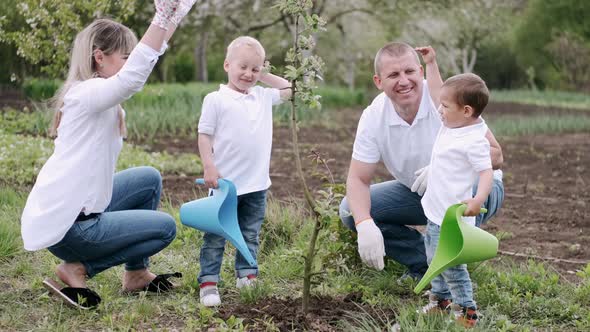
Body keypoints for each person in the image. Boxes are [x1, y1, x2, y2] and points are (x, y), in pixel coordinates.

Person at [20, 0, 198, 310]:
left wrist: (174, 16)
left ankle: (137, 274)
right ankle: (77, 268)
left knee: (149, 179)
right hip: (72, 227)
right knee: (165, 227)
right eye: (125, 57)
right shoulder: (85, 94)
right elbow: (133, 78)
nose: (132, 63)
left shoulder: (95, 93)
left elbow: (149, 56)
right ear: (99, 57)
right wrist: (160, 16)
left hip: (82, 208)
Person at [339, 42, 504, 278]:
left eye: (409, 72)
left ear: (420, 71)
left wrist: (441, 169)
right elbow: (357, 179)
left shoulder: (445, 99)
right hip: (420, 193)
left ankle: (451, 269)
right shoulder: (374, 117)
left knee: (457, 199)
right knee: (350, 209)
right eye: (394, 75)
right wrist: (364, 223)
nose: (404, 81)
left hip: (474, 189)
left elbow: (496, 155)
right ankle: (425, 264)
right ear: (378, 81)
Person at [196, 36, 292, 307]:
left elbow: (291, 89)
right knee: (215, 235)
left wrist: (265, 75)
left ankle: (246, 275)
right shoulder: (216, 99)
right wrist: (209, 165)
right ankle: (209, 281)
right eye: (243, 67)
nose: (249, 74)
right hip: (225, 184)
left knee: (250, 233)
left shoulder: (262, 96)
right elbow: (205, 135)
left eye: (255, 69)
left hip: (257, 184)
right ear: (227, 65)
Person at [418, 73, 493, 327]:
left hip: (452, 219)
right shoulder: (451, 125)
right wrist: (430, 64)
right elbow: (440, 91)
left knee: (451, 265)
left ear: (467, 111)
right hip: (434, 212)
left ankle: (467, 310)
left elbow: (486, 171)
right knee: (433, 259)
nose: (439, 110)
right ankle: (441, 301)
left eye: (445, 106)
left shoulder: (473, 139)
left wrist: (478, 198)